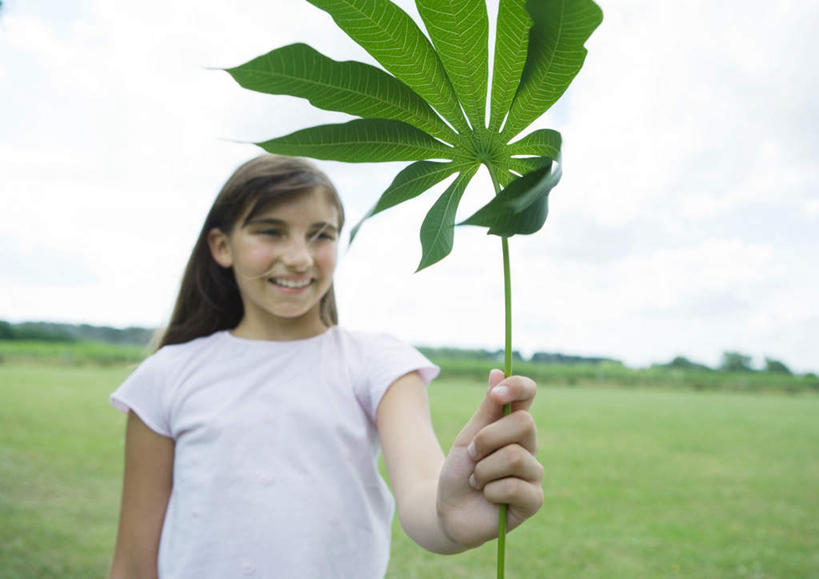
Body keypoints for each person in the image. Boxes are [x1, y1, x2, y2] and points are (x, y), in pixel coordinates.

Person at [108, 155, 544, 578]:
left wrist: (448, 514)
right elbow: (132, 563)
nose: (299, 257)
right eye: (270, 232)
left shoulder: (378, 364)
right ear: (222, 246)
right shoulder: (167, 376)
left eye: (321, 235)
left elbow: (422, 493)